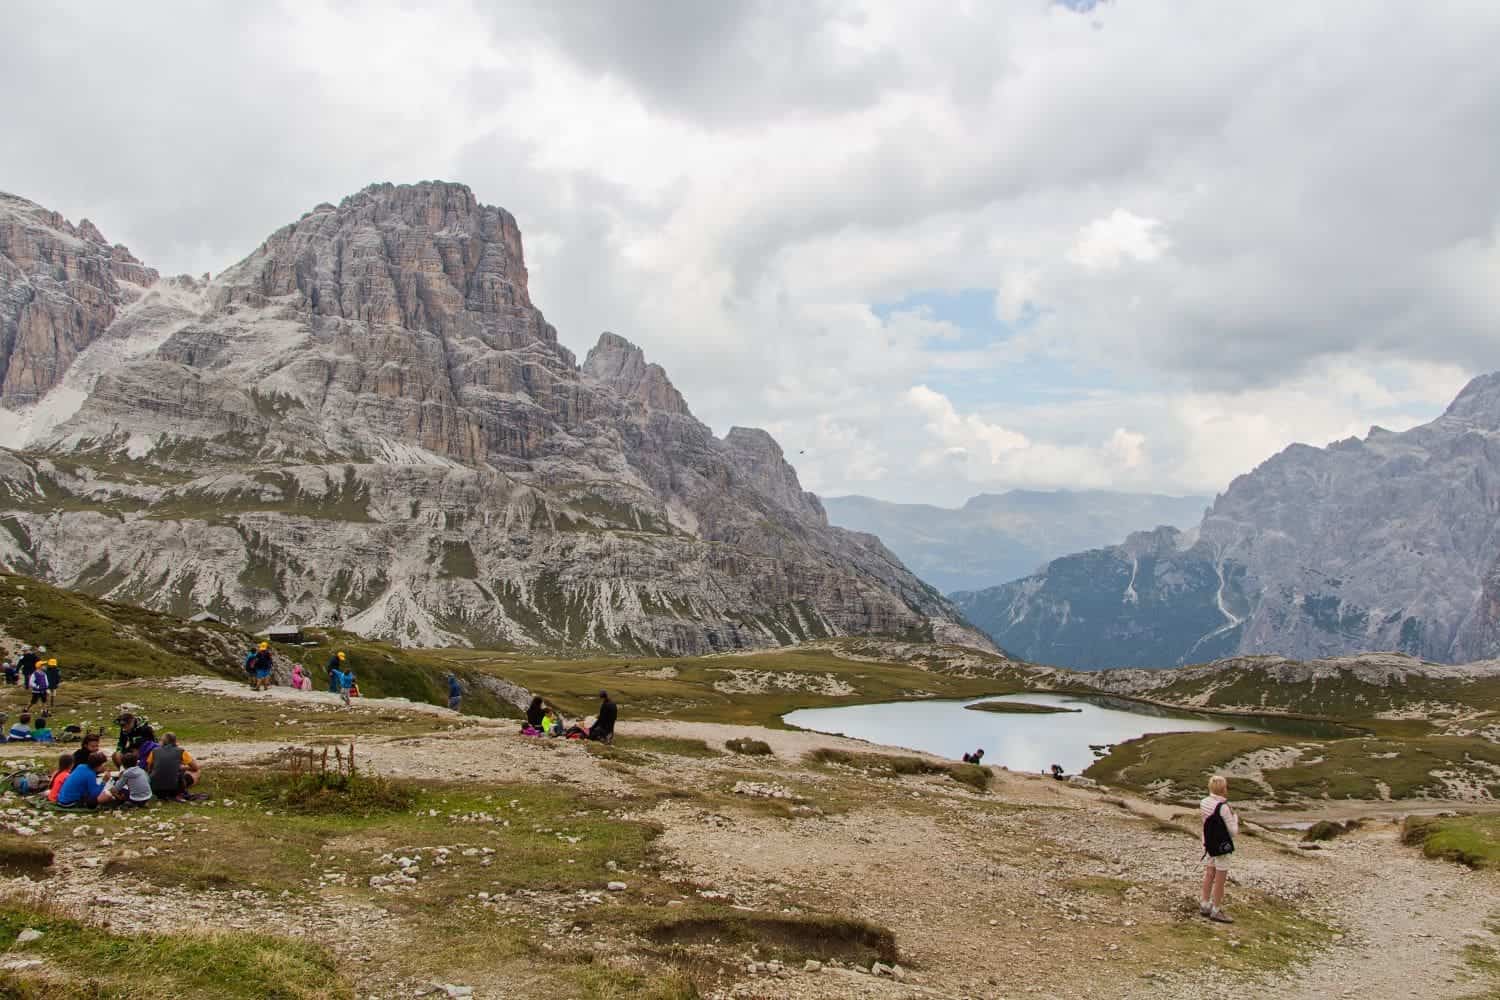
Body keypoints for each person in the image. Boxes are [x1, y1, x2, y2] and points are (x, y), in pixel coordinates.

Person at [1200, 775, 1239, 923]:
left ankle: (1204, 904)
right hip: (1222, 847)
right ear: (1223, 789)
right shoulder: (1223, 807)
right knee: (1220, 879)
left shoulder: (1203, 802)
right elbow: (1233, 832)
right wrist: (1235, 819)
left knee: (1209, 873)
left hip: (1208, 843)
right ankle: (1216, 910)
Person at [147, 732, 201, 801]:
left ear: (163, 742)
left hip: (155, 789)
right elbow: (195, 767)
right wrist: (183, 768)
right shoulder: (181, 751)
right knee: (197, 772)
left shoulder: (154, 751)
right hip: (174, 790)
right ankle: (183, 788)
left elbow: (149, 770)